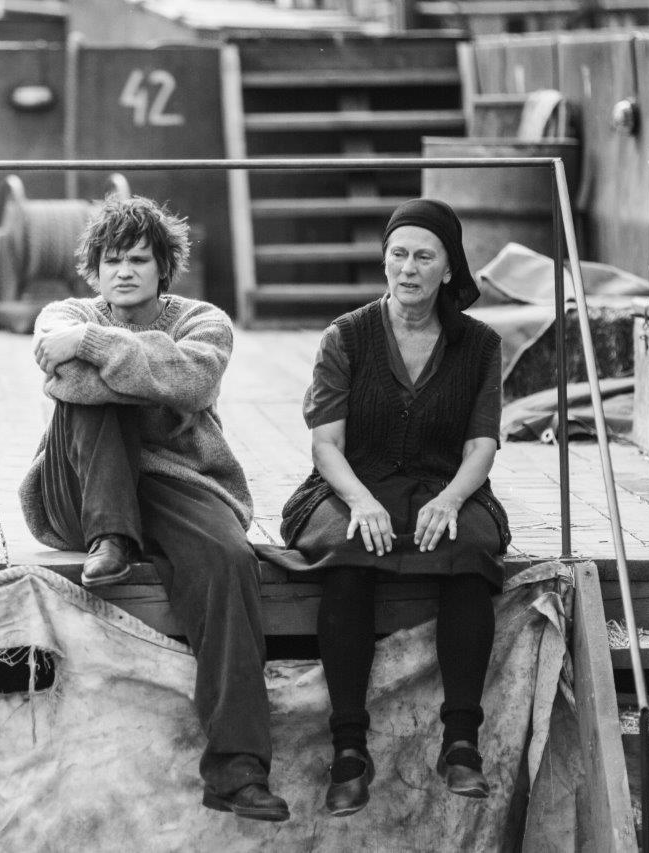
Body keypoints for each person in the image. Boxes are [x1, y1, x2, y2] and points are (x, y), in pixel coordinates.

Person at [18, 195, 289, 822]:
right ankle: (111, 535)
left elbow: (194, 381)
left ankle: (238, 773)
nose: (125, 271)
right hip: (78, 489)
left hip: (177, 481)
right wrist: (142, 372)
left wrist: (91, 344)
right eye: (112, 260)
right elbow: (67, 383)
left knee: (230, 562)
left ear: (163, 267)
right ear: (93, 270)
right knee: (93, 404)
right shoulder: (62, 313)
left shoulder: (203, 321)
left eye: (139, 259)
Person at [279, 198, 511, 817]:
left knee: (470, 550)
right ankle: (350, 750)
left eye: (424, 257)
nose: (408, 268)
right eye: (398, 255)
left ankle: (461, 743)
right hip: (351, 481)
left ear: (448, 268)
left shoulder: (479, 344)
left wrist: (453, 497)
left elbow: (481, 445)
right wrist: (359, 501)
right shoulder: (347, 335)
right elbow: (326, 444)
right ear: (384, 261)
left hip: (442, 482)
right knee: (349, 550)